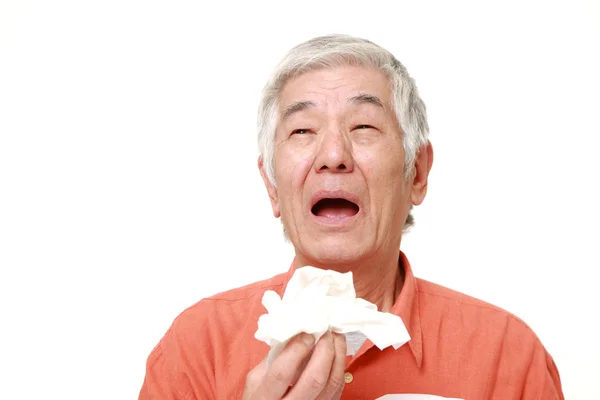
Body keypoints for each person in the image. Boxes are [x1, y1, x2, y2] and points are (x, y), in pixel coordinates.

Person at [138, 34, 564, 399]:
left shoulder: (507, 354)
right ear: (271, 185)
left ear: (416, 172)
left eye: (363, 127)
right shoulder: (195, 348)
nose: (334, 155)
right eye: (302, 131)